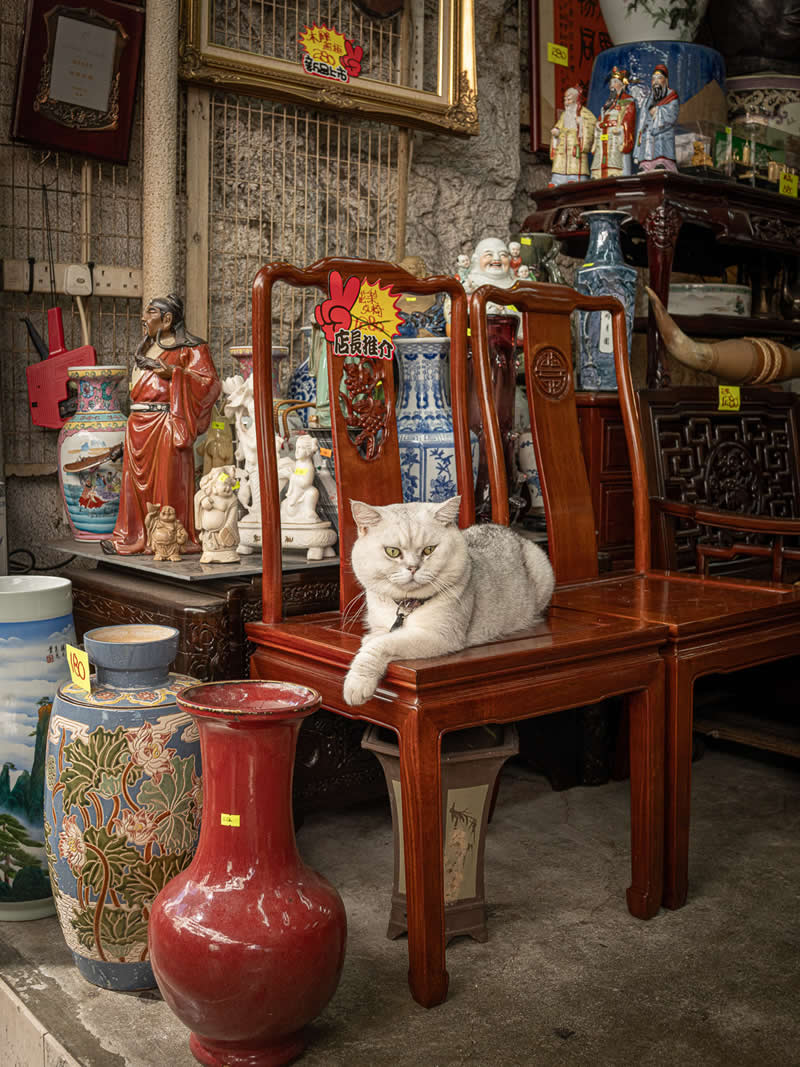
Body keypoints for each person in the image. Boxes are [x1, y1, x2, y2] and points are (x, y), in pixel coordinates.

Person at [102, 294, 221, 555]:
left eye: (151, 312)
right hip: (138, 425)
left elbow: (211, 384)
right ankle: (133, 534)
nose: (143, 318)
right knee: (133, 483)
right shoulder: (146, 347)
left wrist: (176, 374)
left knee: (168, 482)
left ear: (167, 320)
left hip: (167, 422)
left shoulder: (192, 348)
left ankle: (167, 539)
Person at [590, 68, 637, 180]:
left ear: (622, 85)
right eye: (611, 83)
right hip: (604, 134)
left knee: (614, 156)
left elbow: (629, 117)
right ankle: (598, 174)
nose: (612, 85)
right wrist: (598, 124)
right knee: (601, 155)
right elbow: (602, 116)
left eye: (615, 82)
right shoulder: (608, 103)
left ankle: (615, 173)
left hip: (616, 135)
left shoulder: (627, 100)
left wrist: (621, 128)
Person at [634, 64, 680, 172]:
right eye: (653, 78)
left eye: (659, 78)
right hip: (648, 133)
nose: (656, 81)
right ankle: (645, 163)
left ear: (666, 80)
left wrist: (658, 112)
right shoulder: (647, 99)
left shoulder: (671, 96)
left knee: (661, 140)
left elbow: (672, 114)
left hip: (663, 131)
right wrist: (637, 150)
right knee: (647, 142)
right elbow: (641, 120)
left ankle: (662, 162)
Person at [549, 86, 596, 186]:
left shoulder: (585, 114)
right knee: (559, 165)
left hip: (575, 148)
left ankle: (574, 178)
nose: (566, 102)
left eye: (569, 99)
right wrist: (556, 132)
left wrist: (581, 124)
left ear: (576, 99)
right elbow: (559, 126)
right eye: (565, 99)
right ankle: (557, 179)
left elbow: (591, 125)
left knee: (575, 164)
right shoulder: (564, 115)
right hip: (563, 149)